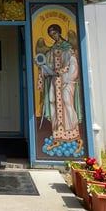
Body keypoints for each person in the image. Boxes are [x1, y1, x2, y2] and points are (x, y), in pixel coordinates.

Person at [37, 24, 83, 154]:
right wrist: (44, 68)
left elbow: (73, 65)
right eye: (51, 35)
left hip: (66, 82)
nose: (53, 36)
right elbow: (51, 64)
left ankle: (74, 136)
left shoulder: (68, 48)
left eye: (55, 33)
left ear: (59, 32)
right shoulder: (52, 49)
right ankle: (58, 136)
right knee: (53, 103)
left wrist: (66, 78)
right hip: (55, 81)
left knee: (67, 104)